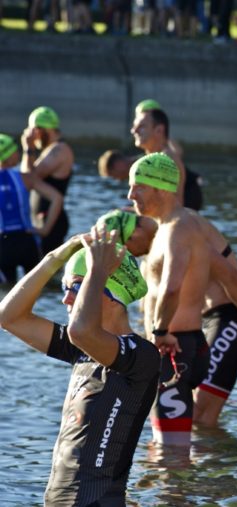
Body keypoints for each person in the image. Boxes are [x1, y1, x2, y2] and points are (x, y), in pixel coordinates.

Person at [0, 230, 159, 506]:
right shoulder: (80, 350)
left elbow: (81, 331)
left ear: (111, 292)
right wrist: (55, 257)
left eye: (74, 288)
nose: (66, 300)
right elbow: (9, 317)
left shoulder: (141, 357)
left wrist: (96, 270)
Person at [96, 208, 237, 427]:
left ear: (135, 233)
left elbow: (232, 277)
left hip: (227, 320)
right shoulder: (156, 247)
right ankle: (206, 456)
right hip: (199, 327)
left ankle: (216, 458)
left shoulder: (180, 235)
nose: (130, 255)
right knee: (188, 416)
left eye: (126, 248)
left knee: (200, 418)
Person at [127, 152, 211, 447]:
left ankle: (178, 495)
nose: (130, 194)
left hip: (175, 347)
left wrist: (160, 332)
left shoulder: (177, 228)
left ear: (161, 188)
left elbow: (172, 286)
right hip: (182, 345)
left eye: (138, 186)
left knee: (170, 455)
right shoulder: (172, 225)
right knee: (166, 449)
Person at [0, 134, 62, 284]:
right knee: (36, 290)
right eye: (16, 151)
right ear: (10, 156)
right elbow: (57, 198)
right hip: (26, 240)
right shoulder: (25, 178)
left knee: (7, 296)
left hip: (3, 244)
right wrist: (45, 229)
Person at [21, 106, 73, 254]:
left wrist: (28, 148)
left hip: (52, 223)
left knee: (48, 273)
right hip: (46, 220)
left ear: (40, 130)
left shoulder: (59, 150)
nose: (33, 136)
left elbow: (29, 177)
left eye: (33, 131)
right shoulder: (51, 150)